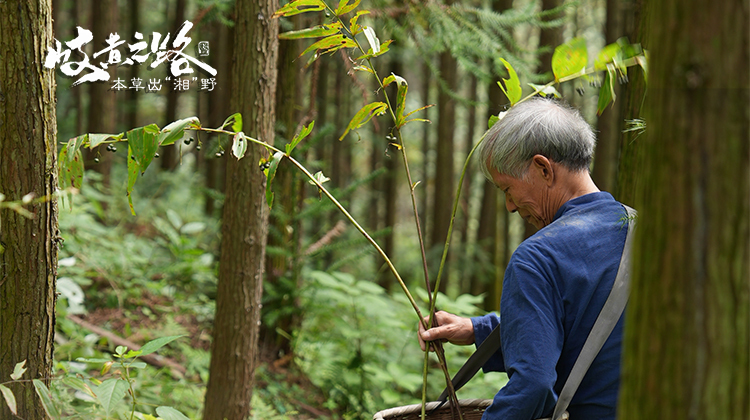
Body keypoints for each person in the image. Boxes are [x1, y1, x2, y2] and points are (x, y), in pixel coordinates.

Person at [418, 98, 632, 420]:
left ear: (543, 169)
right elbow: (583, 322)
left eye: (507, 189)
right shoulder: (649, 234)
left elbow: (533, 387)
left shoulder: (537, 258)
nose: (510, 207)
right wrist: (479, 330)